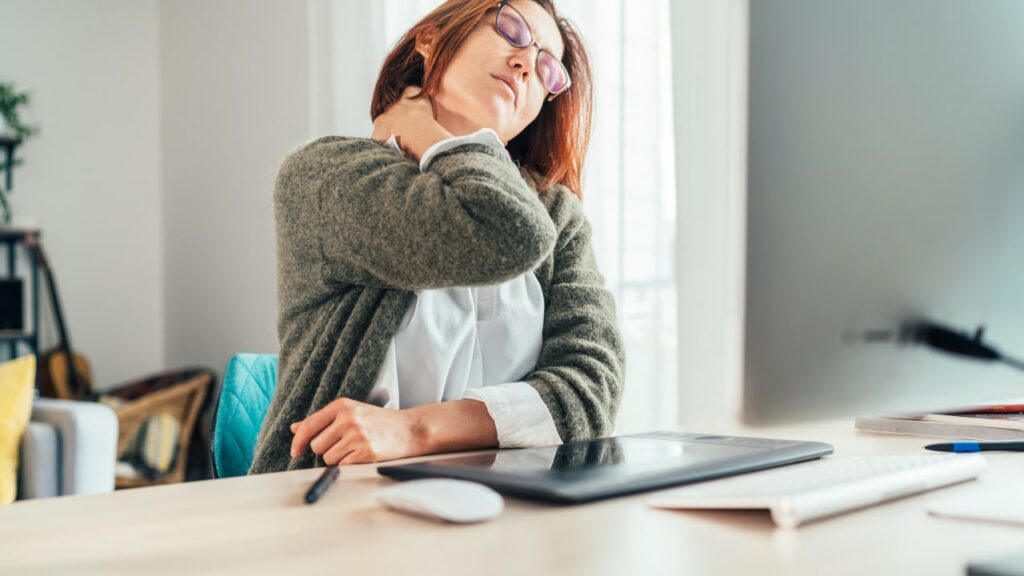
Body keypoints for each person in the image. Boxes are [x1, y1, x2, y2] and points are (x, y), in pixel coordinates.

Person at [249, 0, 624, 474]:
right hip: (341, 497)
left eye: (550, 68)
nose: (527, 62)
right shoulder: (323, 177)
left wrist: (415, 430)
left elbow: (593, 388)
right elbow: (508, 232)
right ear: (429, 40)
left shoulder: (556, 212)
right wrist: (428, 135)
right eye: (512, 30)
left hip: (513, 509)